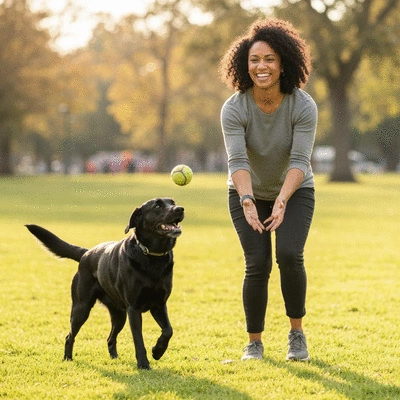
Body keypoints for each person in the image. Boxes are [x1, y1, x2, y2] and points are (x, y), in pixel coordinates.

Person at [219, 18, 317, 362]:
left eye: (270, 59)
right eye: (254, 60)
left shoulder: (302, 105)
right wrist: (247, 200)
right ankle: (254, 342)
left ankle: (296, 335)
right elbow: (237, 160)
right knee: (257, 262)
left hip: (295, 190)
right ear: (244, 65)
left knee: (290, 255)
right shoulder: (234, 108)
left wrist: (282, 200)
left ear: (284, 63)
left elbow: (300, 160)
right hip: (246, 192)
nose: (261, 67)